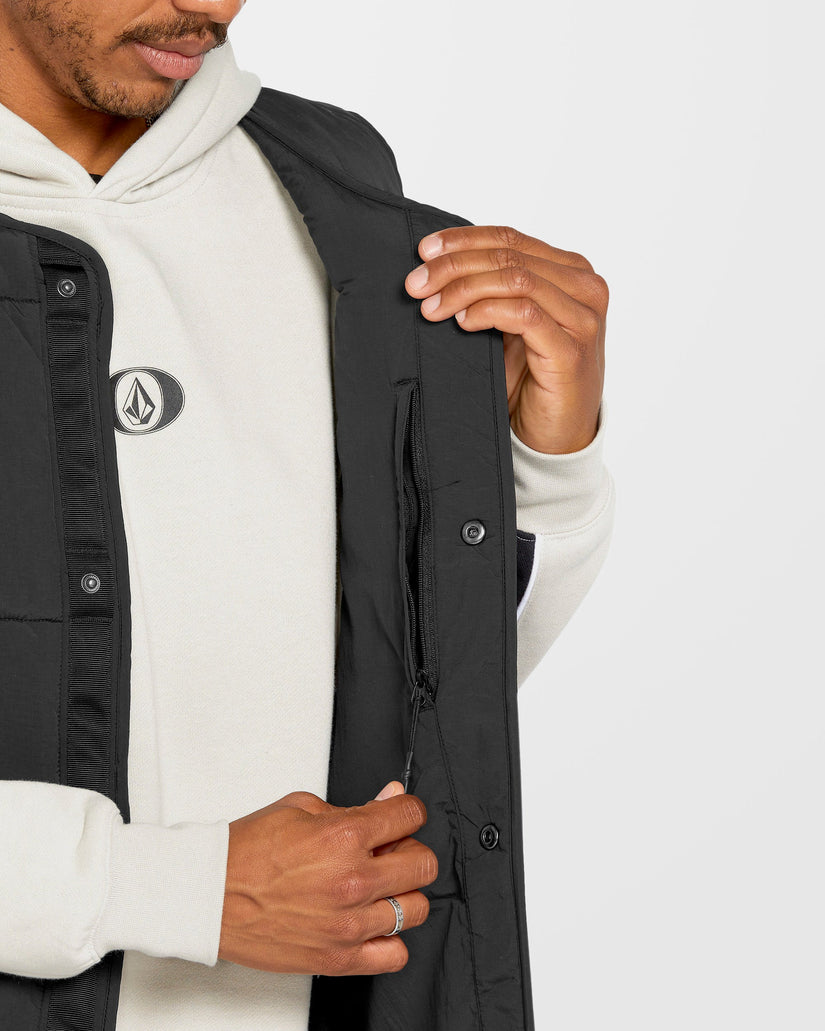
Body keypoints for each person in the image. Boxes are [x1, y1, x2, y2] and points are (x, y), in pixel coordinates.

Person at [0, 1, 615, 1028]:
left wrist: (544, 467)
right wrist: (175, 890)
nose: (212, 3)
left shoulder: (347, 206)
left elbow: (436, 699)